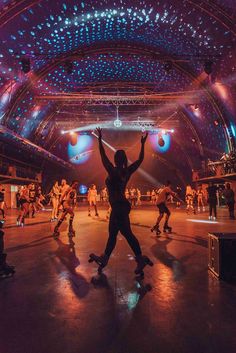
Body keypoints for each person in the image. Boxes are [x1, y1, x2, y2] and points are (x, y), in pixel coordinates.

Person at [89, 128, 153, 275]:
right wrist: (143, 144)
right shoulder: (127, 171)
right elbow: (140, 160)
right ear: (124, 160)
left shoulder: (112, 171)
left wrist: (99, 139)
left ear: (115, 159)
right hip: (122, 206)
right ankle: (107, 259)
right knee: (115, 234)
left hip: (118, 207)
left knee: (125, 234)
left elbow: (103, 156)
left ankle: (138, 258)